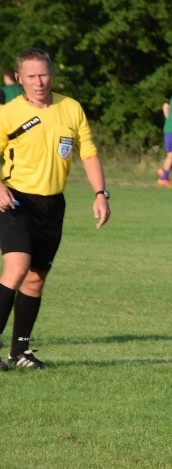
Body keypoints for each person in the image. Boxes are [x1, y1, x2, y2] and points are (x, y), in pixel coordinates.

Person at [0, 48, 111, 370]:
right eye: (31, 76)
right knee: (17, 268)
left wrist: (100, 193)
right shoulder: (7, 113)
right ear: (19, 78)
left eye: (43, 74)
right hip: (16, 200)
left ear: (52, 74)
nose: (38, 82)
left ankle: (19, 352)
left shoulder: (70, 108)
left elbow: (88, 151)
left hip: (52, 204)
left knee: (35, 280)